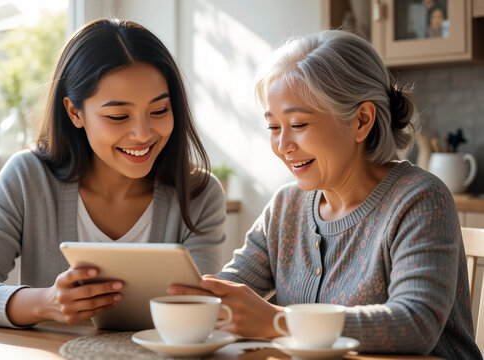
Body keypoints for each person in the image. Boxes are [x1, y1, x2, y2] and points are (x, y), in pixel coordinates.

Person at [169, 30, 481, 359]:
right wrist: (180, 293)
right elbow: (231, 284)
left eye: (299, 124)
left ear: (361, 120)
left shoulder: (420, 199)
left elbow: (414, 324)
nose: (283, 146)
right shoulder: (285, 207)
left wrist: (278, 321)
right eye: (274, 127)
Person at [0, 18, 226, 328]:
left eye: (159, 111)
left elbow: (202, 311)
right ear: (75, 112)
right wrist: (44, 303)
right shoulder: (28, 178)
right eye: (118, 116)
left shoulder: (199, 194)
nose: (143, 134)